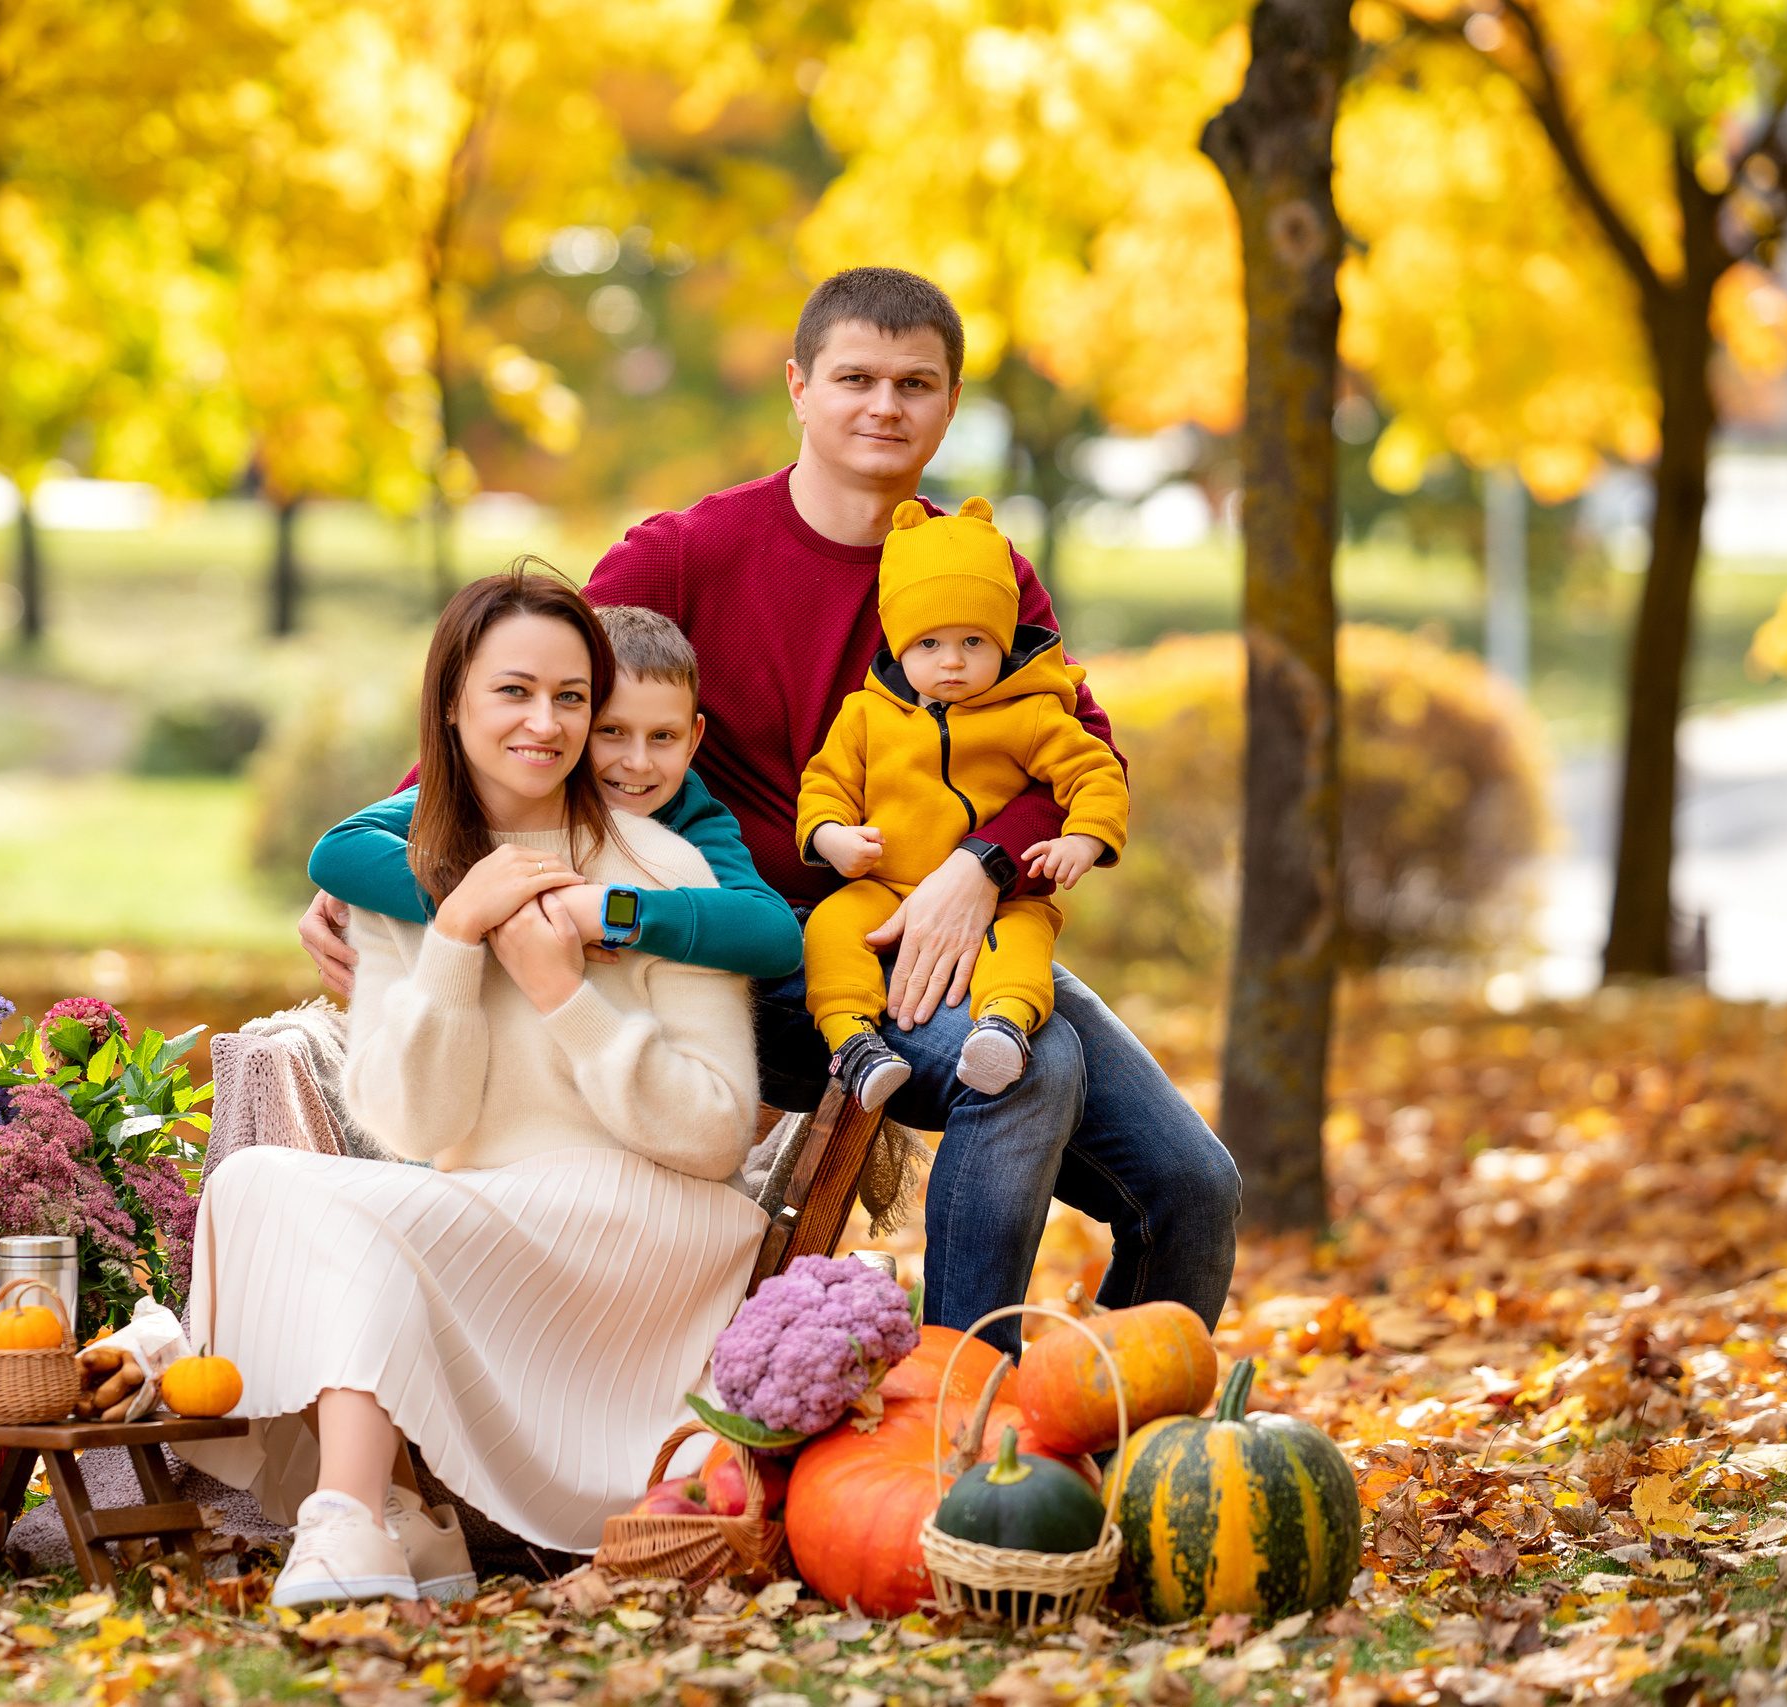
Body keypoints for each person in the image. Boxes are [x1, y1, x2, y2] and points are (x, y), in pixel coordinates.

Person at [299, 266, 1240, 1358]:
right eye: (855, 377)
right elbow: (527, 707)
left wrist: (979, 865)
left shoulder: (979, 573)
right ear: (798, 385)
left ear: (949, 402)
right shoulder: (684, 556)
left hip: (950, 931)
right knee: (1033, 1066)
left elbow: (1078, 753)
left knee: (1192, 1189)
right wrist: (392, 848)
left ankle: (1098, 1464)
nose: (883, 406)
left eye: (915, 384)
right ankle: (953, 1433)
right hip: (757, 946)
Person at [185, 568, 765, 1608]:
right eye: (513, 691)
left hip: (646, 1223)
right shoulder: (399, 876)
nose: (545, 723)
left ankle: (354, 1519)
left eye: (571, 697)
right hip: (483, 1205)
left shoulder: (658, 873)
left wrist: (562, 993)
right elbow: (416, 1122)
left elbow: (716, 1135)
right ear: (450, 702)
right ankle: (380, 1517)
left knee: (353, 1213)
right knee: (256, 1183)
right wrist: (453, 939)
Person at [798, 495, 1129, 1109]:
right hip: (886, 885)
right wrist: (830, 837)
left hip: (999, 897)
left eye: (973, 640)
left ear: (1002, 641)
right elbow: (826, 783)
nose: (951, 661)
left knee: (1022, 945)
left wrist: (1084, 837)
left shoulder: (1030, 713)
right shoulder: (867, 714)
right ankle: (853, 1042)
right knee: (830, 929)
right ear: (899, 646)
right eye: (929, 645)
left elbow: (1096, 771)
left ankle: (1002, 1027)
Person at [309, 605, 803, 980]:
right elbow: (339, 850)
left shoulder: (688, 812)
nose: (638, 762)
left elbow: (774, 935)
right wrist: (500, 905)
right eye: (611, 731)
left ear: (693, 738)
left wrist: (607, 910)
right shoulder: (516, 791)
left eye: (663, 737)